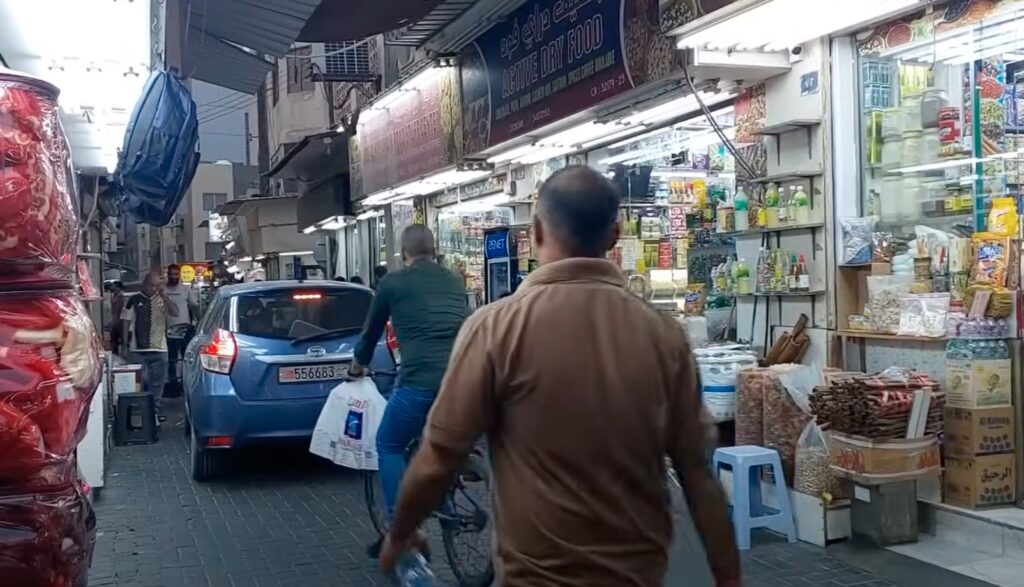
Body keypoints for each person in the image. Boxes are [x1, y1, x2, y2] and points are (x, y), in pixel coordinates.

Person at [379, 166, 741, 586]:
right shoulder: (664, 336)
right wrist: (729, 577)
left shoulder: (496, 328)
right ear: (615, 235)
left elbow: (438, 459)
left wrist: (401, 533)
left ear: (535, 232)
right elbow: (698, 475)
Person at [350, 224, 468, 555]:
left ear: (404, 254)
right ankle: (446, 492)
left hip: (419, 380)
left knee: (388, 443)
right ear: (435, 250)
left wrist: (357, 367)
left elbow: (371, 334)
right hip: (461, 383)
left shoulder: (392, 283)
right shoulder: (453, 281)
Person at [122, 270, 179, 422]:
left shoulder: (162, 299)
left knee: (157, 383)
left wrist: (164, 296)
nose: (154, 288)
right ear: (145, 284)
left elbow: (175, 312)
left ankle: (155, 411)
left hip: (160, 348)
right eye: (152, 285)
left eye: (157, 285)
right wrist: (123, 343)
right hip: (137, 349)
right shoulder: (133, 299)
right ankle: (139, 411)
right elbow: (125, 321)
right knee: (139, 382)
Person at [163, 264, 194, 394]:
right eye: (171, 274)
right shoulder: (163, 290)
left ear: (180, 274)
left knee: (186, 359)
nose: (173, 276)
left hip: (185, 329)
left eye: (176, 274)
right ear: (168, 274)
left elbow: (193, 306)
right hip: (168, 330)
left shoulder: (186, 290)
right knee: (172, 361)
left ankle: (187, 383)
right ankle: (173, 385)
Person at [107, 281, 125, 356]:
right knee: (114, 341)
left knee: (117, 340)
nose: (111, 287)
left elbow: (118, 309)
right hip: (116, 320)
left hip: (119, 321)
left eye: (113, 286)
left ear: (117, 287)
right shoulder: (115, 295)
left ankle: (119, 355)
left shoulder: (120, 296)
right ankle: (115, 355)